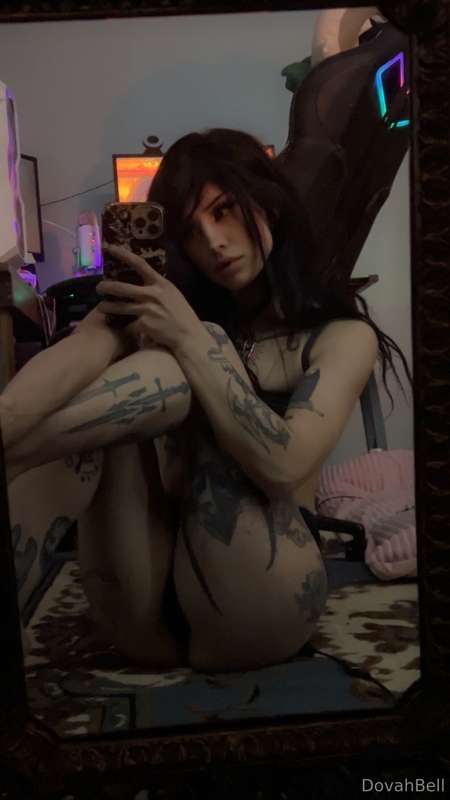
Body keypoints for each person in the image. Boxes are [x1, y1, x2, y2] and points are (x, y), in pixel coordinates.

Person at [0, 128, 411, 673]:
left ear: (268, 202)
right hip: (143, 600)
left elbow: (285, 467)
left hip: (258, 599)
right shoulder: (168, 307)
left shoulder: (340, 336)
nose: (214, 242)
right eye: (192, 231)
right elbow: (76, 355)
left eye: (224, 211)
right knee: (102, 378)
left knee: (195, 349)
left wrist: (191, 338)